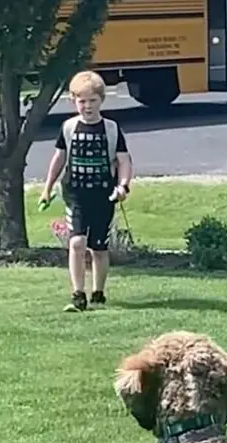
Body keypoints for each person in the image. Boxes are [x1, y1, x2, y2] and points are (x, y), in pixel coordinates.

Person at [40, 70, 133, 312]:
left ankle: (98, 292)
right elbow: (59, 158)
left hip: (103, 196)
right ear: (74, 101)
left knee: (99, 248)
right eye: (82, 101)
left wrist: (122, 186)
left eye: (92, 101)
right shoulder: (69, 127)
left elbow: (124, 161)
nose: (87, 106)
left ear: (101, 100)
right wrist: (47, 188)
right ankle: (77, 294)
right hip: (76, 194)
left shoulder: (111, 129)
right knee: (77, 242)